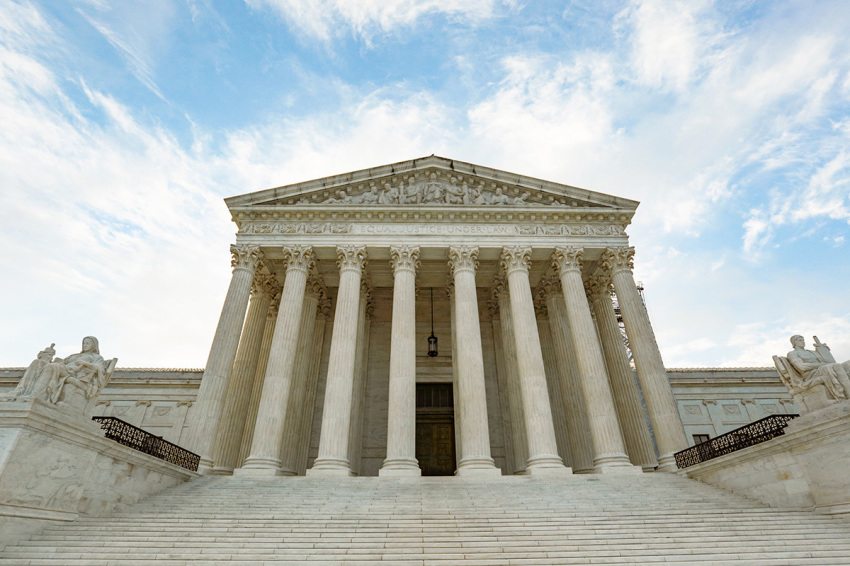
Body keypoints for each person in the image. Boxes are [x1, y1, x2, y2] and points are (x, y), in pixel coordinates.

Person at [44, 336, 108, 404]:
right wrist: (47, 355)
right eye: (84, 343)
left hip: (75, 373)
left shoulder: (97, 357)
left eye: (87, 343)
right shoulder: (75, 355)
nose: (85, 345)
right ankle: (38, 395)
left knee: (51, 367)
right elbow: (62, 362)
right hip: (65, 369)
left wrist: (85, 363)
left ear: (94, 345)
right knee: (40, 363)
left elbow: (99, 368)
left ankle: (42, 394)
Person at [787, 335, 850, 400]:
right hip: (811, 374)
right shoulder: (792, 354)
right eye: (800, 340)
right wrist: (820, 365)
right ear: (794, 343)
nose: (803, 342)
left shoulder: (812, 352)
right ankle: (848, 393)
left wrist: (824, 350)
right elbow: (802, 367)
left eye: (803, 340)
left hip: (823, 368)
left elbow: (829, 362)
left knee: (848, 364)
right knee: (835, 366)